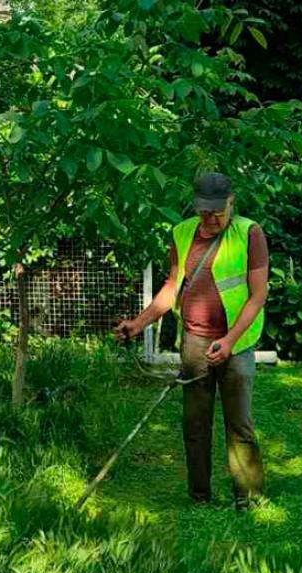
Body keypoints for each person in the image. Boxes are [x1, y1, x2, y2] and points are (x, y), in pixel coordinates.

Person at [115, 172, 268, 510]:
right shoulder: (182, 233)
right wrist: (138, 324)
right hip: (195, 341)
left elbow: (258, 296)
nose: (211, 219)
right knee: (195, 423)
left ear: (231, 203)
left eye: (218, 212)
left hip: (236, 343)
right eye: (204, 212)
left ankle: (249, 497)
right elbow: (172, 286)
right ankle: (199, 497)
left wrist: (229, 341)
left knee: (239, 423)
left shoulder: (249, 233)